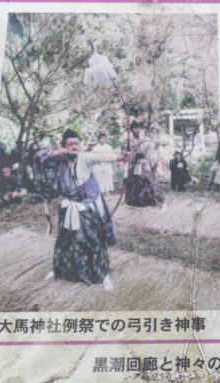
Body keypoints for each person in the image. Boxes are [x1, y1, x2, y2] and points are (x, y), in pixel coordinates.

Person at [42, 129, 118, 289]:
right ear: (64, 146)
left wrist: (121, 157)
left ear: (80, 144)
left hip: (86, 207)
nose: (74, 147)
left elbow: (102, 157)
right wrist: (55, 153)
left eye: (76, 143)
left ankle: (102, 274)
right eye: (70, 144)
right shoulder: (60, 161)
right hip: (68, 205)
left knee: (93, 239)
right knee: (65, 240)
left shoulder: (85, 158)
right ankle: (60, 270)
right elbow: (40, 159)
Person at [121, 121, 163, 207]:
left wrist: (156, 145)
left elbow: (151, 148)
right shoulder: (128, 141)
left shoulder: (144, 139)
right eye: (135, 128)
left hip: (144, 163)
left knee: (149, 180)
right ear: (131, 130)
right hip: (133, 164)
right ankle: (135, 201)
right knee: (135, 182)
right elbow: (125, 153)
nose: (137, 130)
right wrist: (138, 143)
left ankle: (154, 200)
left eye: (138, 128)